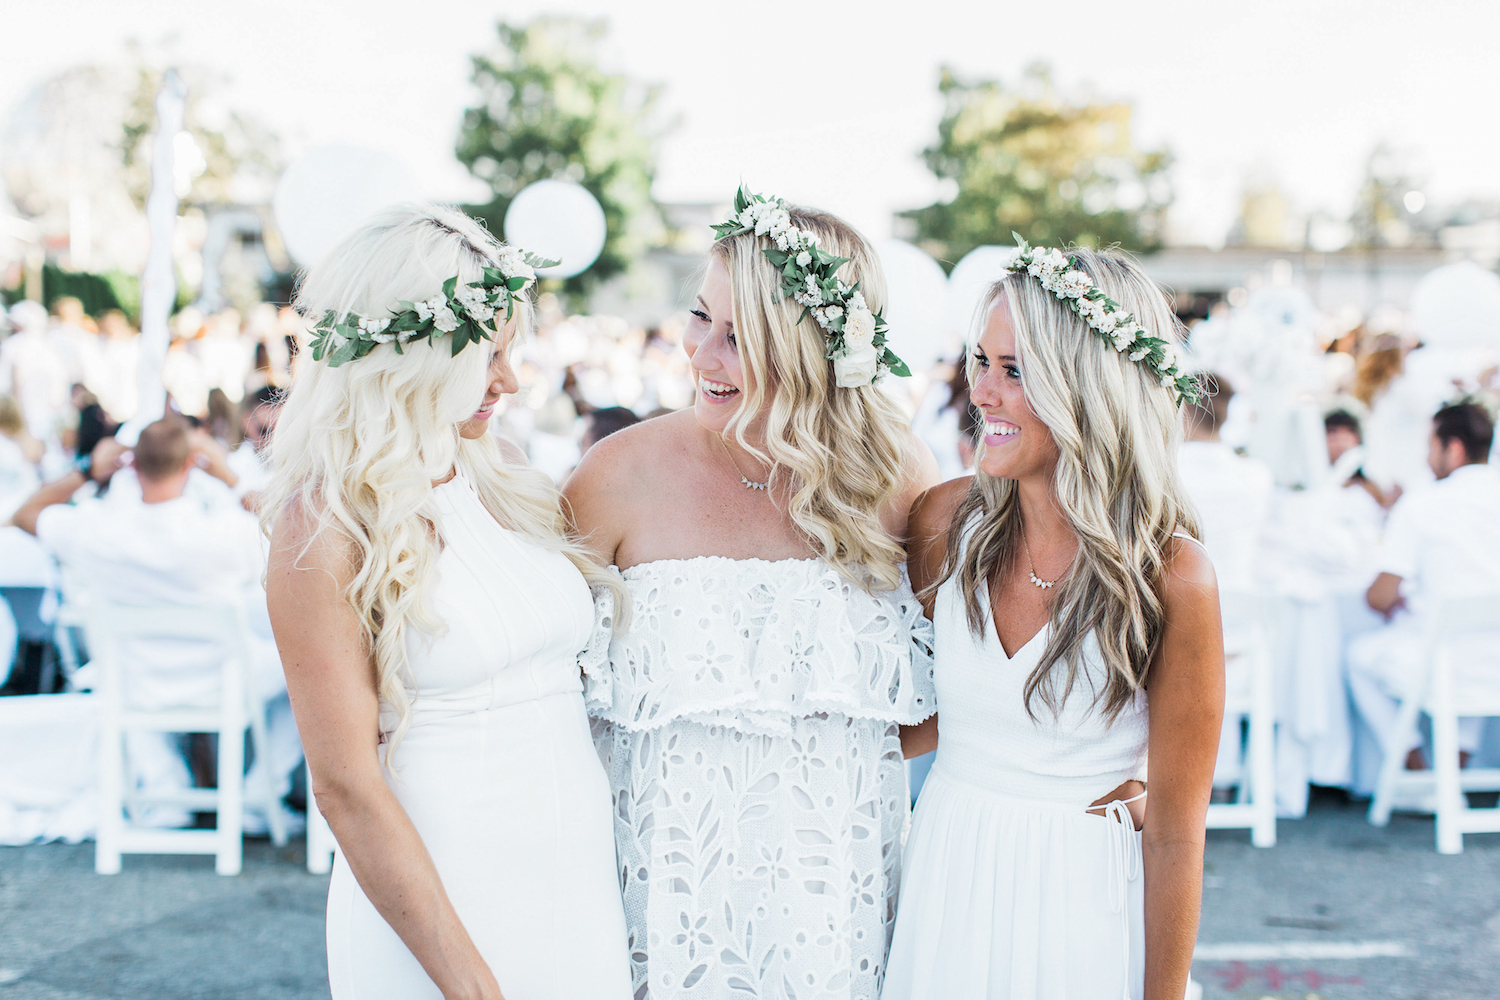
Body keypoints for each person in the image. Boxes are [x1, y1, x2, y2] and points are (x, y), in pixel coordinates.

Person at [565, 188, 939, 1000]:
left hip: (833, 900)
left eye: (740, 338)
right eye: (701, 318)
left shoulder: (896, 480)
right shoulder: (615, 478)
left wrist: (814, 758)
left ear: (811, 349)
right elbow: (550, 693)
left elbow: (949, 690)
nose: (702, 356)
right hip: (657, 900)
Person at [262, 204, 631, 1000]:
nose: (510, 379)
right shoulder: (322, 528)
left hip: (576, 889)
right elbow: (346, 788)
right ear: (412, 356)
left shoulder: (497, 471)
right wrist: (470, 987)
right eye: (485, 356)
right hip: (441, 909)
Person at [885, 243, 1223, 1000]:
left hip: (1088, 906)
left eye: (1016, 371)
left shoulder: (1172, 576)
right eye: (981, 362)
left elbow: (1175, 829)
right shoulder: (942, 523)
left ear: (1088, 387)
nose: (983, 392)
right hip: (948, 880)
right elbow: (921, 715)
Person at [10, 418, 298, 828]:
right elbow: (289, 524)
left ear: (130, 466)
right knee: (305, 671)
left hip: (138, 683)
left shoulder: (96, 530)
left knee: (124, 669)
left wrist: (87, 470)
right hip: (224, 681)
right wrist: (227, 474)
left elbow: (24, 514)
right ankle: (259, 792)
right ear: (191, 466)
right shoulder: (225, 534)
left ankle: (169, 790)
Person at [1348, 402, 1500, 773]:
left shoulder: (1425, 504)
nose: (1427, 457)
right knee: (1478, 637)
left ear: (1455, 448)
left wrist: (1400, 596)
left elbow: (1378, 596)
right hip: (1492, 657)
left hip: (1445, 662)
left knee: (1358, 657)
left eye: (1431, 446)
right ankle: (1455, 774)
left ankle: (1420, 772)